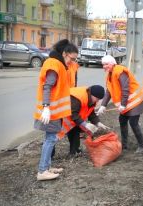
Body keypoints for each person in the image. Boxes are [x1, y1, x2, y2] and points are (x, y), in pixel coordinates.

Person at [33, 39, 76, 181]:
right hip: (49, 111)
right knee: (50, 139)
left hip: (54, 111)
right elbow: (48, 87)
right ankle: (42, 170)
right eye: (72, 58)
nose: (73, 62)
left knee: (49, 139)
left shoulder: (59, 65)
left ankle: (47, 166)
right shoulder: (54, 64)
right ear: (64, 54)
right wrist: (46, 107)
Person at [97, 55, 143, 153]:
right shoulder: (110, 74)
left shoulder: (120, 71)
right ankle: (124, 145)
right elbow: (109, 91)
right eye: (103, 65)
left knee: (133, 122)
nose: (104, 67)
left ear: (112, 63)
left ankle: (141, 145)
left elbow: (125, 89)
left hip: (135, 101)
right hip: (127, 102)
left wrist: (123, 104)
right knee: (122, 120)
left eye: (106, 64)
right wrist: (103, 105)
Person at [56, 85, 110, 154]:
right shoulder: (77, 98)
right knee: (53, 137)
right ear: (92, 94)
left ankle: (74, 151)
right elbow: (73, 113)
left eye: (99, 99)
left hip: (71, 117)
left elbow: (91, 113)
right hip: (59, 114)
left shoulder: (91, 99)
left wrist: (98, 123)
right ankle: (49, 156)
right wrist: (85, 124)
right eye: (97, 98)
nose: (97, 101)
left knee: (75, 130)